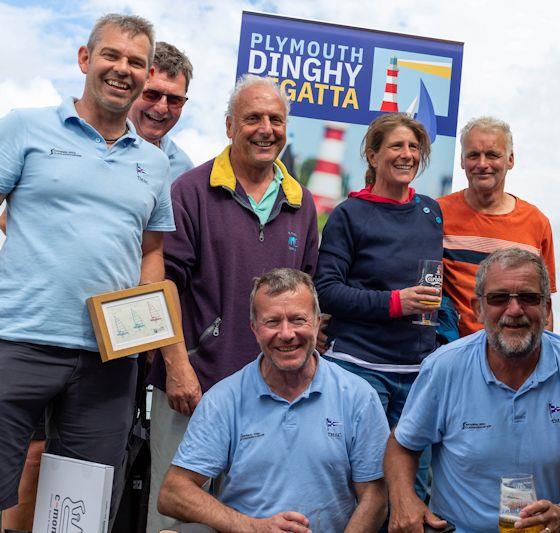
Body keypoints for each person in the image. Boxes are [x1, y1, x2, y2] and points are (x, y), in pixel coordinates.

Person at [0, 12, 173, 517]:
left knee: (78, 512)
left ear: (146, 75)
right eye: (111, 55)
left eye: (136, 62)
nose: (122, 69)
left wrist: (144, 336)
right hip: (18, 341)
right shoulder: (25, 127)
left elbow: (151, 252)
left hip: (109, 359)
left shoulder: (155, 162)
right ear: (85, 59)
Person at [145, 74, 318, 532]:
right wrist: (178, 367)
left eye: (276, 120)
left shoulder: (301, 204)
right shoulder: (190, 189)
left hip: (269, 395)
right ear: (228, 126)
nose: (266, 129)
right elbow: (164, 285)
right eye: (253, 118)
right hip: (191, 389)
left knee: (254, 516)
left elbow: (310, 301)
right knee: (179, 517)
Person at [386, 248, 560, 533]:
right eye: (499, 298)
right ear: (477, 308)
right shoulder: (444, 367)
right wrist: (404, 500)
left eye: (528, 298)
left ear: (547, 309)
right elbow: (401, 445)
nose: (514, 311)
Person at [157, 269, 389, 532]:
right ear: (254, 329)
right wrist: (253, 527)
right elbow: (173, 493)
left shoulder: (357, 396)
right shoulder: (225, 399)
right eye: (273, 322)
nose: (286, 333)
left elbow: (375, 497)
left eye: (297, 319)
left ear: (316, 322)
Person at [314, 113, 443, 498]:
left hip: (418, 373)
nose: (407, 155)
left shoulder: (430, 212)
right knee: (359, 487)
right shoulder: (348, 214)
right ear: (372, 155)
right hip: (359, 368)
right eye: (396, 146)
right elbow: (327, 290)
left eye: (414, 147)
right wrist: (395, 303)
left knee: (413, 493)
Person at [438, 116, 556, 337]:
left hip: (515, 353)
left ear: (510, 160)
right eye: (473, 155)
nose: (482, 164)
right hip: (453, 352)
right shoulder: (437, 214)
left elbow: (544, 303)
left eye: (492, 155)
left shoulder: (536, 222)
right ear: (462, 161)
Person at [128, 40, 194, 181]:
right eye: (152, 95)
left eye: (174, 100)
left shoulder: (184, 172)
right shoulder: (91, 142)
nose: (161, 108)